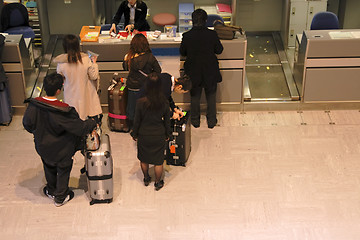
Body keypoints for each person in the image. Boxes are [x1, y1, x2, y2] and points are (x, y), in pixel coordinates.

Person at [22, 73, 97, 207]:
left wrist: (39, 133)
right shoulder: (64, 111)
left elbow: (27, 124)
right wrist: (92, 122)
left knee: (48, 165)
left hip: (43, 147)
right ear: (58, 90)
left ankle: (51, 190)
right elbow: (80, 128)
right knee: (63, 170)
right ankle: (60, 197)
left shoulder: (34, 105)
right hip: (62, 149)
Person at [180, 9, 224, 129]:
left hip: (193, 71)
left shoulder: (187, 36)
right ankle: (211, 121)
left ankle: (195, 121)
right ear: (205, 21)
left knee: (195, 96)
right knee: (211, 95)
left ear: (192, 21)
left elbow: (182, 52)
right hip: (210, 69)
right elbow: (219, 50)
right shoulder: (212, 34)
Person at [130, 72, 171, 191]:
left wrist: (135, 134)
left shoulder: (140, 102)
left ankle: (146, 178)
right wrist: (167, 134)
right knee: (158, 162)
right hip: (158, 134)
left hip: (144, 134)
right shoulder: (164, 102)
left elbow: (136, 120)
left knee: (144, 159)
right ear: (160, 86)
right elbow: (167, 122)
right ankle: (158, 182)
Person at [54, 34, 102, 122]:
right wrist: (94, 63)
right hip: (86, 93)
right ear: (77, 45)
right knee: (88, 114)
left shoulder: (61, 63)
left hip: (70, 95)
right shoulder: (85, 59)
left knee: (74, 117)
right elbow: (93, 76)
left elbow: (60, 78)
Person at [124, 33, 161, 127]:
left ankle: (133, 126)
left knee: (132, 107)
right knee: (145, 106)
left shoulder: (129, 57)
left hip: (132, 87)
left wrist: (126, 60)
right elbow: (158, 71)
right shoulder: (150, 57)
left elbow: (124, 68)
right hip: (146, 86)